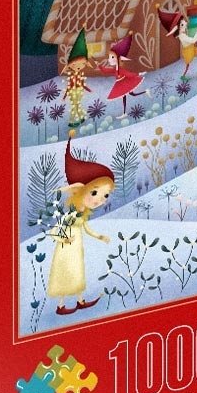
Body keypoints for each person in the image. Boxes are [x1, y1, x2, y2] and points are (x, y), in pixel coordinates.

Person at [47, 135, 115, 315]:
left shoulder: (81, 215)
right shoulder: (70, 214)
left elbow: (86, 229)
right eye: (94, 193)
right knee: (66, 275)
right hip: (66, 250)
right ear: (79, 191)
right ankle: (60, 306)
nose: (100, 200)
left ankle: (80, 301)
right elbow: (54, 231)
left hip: (77, 248)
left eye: (105, 195)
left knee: (77, 273)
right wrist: (64, 239)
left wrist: (100, 236)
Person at [102, 32, 147, 115]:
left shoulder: (120, 69)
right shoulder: (115, 69)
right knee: (129, 95)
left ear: (119, 58)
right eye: (109, 57)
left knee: (130, 95)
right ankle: (145, 92)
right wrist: (99, 66)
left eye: (112, 57)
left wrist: (139, 74)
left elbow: (129, 74)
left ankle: (125, 112)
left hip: (125, 83)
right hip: (119, 83)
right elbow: (106, 71)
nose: (109, 60)